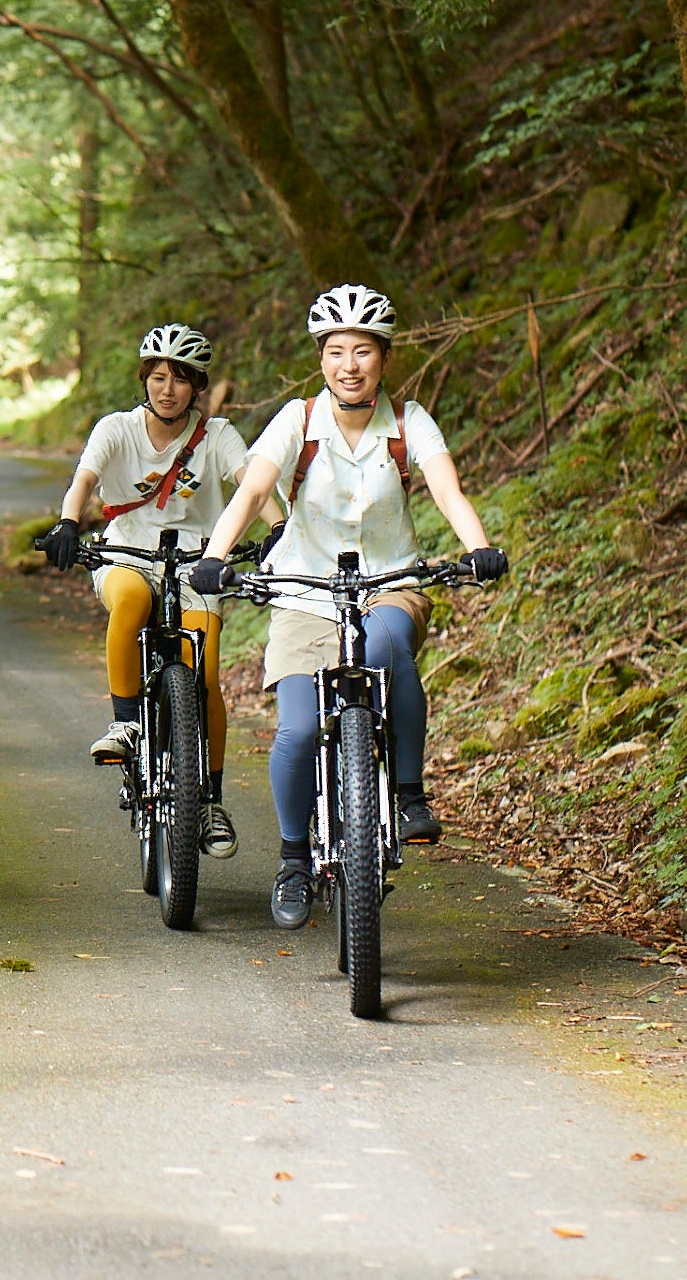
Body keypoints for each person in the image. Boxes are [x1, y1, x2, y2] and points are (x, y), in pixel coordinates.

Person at [188, 285, 509, 929]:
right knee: (300, 729)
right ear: (322, 358)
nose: (349, 364)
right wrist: (216, 557)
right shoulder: (297, 421)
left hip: (390, 582)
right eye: (337, 351)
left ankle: (411, 793)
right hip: (304, 591)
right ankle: (293, 859)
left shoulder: (410, 422)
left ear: (383, 359)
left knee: (386, 645)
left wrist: (479, 547)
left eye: (363, 350)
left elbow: (447, 489)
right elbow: (252, 492)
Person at [38, 323, 267, 859]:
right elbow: (84, 480)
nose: (168, 389)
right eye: (159, 377)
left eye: (181, 380)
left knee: (205, 667)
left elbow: (253, 482)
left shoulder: (218, 436)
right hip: (127, 552)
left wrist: (278, 528)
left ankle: (208, 798)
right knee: (133, 602)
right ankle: (124, 726)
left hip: (198, 561)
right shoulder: (116, 429)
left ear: (198, 387)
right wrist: (69, 522)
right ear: (145, 379)